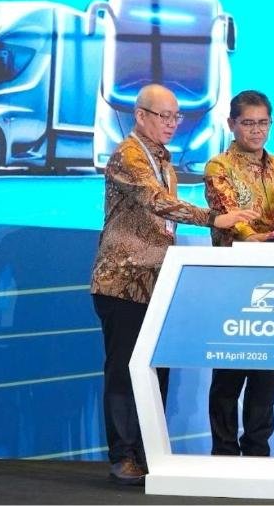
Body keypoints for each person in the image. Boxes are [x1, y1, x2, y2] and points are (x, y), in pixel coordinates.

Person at [90, 84, 258, 485]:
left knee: (154, 372)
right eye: (163, 116)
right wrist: (213, 218)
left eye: (175, 116)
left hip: (156, 282)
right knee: (124, 372)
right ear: (140, 115)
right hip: (123, 281)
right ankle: (123, 456)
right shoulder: (129, 155)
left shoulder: (164, 160)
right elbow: (156, 202)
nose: (171, 123)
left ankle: (148, 453)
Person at [204, 90, 274, 456]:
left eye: (263, 123)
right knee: (229, 371)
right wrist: (252, 237)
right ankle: (224, 452)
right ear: (232, 124)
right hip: (234, 278)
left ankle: (257, 449)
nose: (257, 130)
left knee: (267, 372)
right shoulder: (218, 167)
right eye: (248, 123)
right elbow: (228, 214)